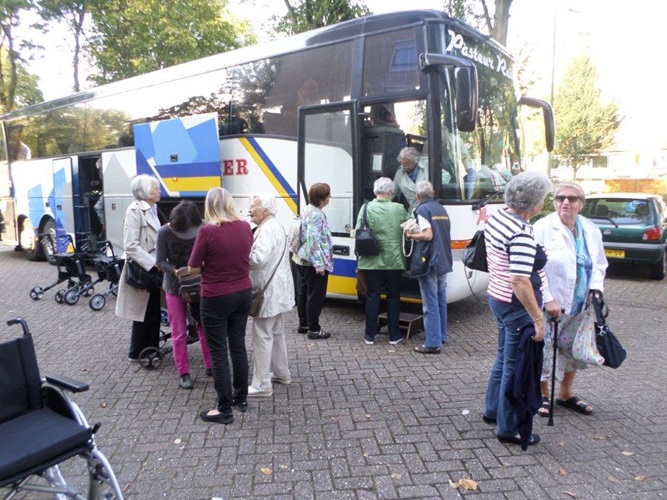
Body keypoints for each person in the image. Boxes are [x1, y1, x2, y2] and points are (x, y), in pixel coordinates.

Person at [482, 170, 552, 447]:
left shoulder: (498, 216)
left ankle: (492, 411)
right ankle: (508, 427)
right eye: (543, 199)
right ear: (534, 204)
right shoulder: (521, 232)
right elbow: (520, 280)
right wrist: (538, 318)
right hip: (515, 305)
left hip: (496, 297)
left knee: (503, 360)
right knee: (515, 366)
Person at [534, 182, 608, 417]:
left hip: (580, 304)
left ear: (581, 203)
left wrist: (596, 288)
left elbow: (598, 263)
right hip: (551, 303)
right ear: (554, 201)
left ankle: (565, 394)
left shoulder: (590, 229)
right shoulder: (543, 227)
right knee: (546, 350)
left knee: (572, 349)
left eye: (572, 199)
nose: (566, 202)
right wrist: (547, 299)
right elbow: (534, 269)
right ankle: (542, 396)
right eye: (560, 198)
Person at [189, 187, 253, 425]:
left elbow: (193, 267)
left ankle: (224, 408)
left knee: (218, 352)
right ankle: (241, 399)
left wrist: (210, 265)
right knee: (238, 346)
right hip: (243, 292)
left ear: (209, 206)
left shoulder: (207, 231)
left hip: (216, 295)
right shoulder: (246, 226)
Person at [155, 201, 212, 390]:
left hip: (200, 285)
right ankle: (183, 372)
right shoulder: (164, 232)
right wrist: (175, 271)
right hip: (174, 287)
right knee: (179, 331)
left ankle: (211, 364)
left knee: (203, 325)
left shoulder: (204, 226)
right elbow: (160, 261)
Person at [247, 192, 295, 397]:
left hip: (267, 292)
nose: (249, 209)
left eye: (253, 206)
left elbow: (257, 259)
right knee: (276, 334)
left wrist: (240, 253)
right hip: (278, 290)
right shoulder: (275, 225)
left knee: (262, 336)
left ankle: (261, 384)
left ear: (264, 210)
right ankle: (282, 373)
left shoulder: (266, 230)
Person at [115, 174, 162, 363]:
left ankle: (150, 348)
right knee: (144, 311)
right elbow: (131, 245)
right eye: (156, 188)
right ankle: (137, 352)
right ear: (146, 192)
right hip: (144, 269)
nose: (159, 191)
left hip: (152, 266)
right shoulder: (135, 211)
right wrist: (153, 265)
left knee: (152, 310)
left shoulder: (152, 209)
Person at [356, 177, 408, 345]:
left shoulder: (365, 208)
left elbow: (357, 231)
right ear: (389, 192)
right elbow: (408, 229)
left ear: (375, 191)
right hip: (393, 260)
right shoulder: (399, 209)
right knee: (393, 296)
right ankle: (394, 335)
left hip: (371, 260)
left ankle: (369, 335)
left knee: (372, 296)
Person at [407, 180, 453, 353]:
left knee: (430, 303)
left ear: (418, 196)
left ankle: (433, 343)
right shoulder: (441, 208)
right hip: (443, 259)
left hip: (430, 261)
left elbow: (427, 235)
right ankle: (441, 336)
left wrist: (410, 234)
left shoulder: (422, 209)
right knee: (441, 299)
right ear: (432, 193)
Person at [292, 182, 334, 340]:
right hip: (312, 262)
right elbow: (314, 240)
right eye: (328, 195)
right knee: (315, 295)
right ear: (322, 198)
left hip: (301, 259)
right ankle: (314, 329)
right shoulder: (316, 214)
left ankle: (304, 324)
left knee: (303, 293)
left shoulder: (307, 209)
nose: (330, 198)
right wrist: (319, 265)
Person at [393, 146, 427, 213]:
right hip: (413, 210)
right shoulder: (399, 173)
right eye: (403, 165)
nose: (405, 168)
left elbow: (446, 175)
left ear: (415, 161)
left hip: (427, 207)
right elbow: (392, 191)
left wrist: (431, 187)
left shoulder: (427, 164)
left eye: (408, 165)